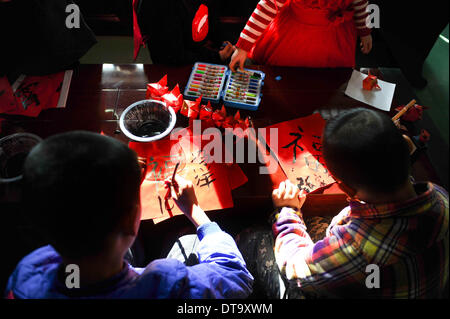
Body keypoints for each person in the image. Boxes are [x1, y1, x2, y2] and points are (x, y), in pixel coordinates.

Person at [4, 131, 253, 299]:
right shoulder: (165, 283)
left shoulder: (28, 272)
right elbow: (236, 278)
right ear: (128, 220)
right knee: (187, 240)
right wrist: (197, 214)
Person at [238, 108, 449, 298]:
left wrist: (288, 211)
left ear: (347, 189)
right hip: (408, 284)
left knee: (255, 238)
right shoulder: (440, 197)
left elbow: (294, 268)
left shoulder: (357, 248)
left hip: (361, 277)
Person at [230, 0, 373, 70]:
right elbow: (268, 6)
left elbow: (360, 4)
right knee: (285, 79)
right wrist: (243, 46)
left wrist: (364, 31)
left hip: (333, 41)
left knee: (328, 82)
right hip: (293, 38)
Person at [137, 0, 235, 65]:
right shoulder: (159, 5)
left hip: (199, 57)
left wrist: (223, 41)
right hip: (173, 71)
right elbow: (172, 57)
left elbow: (209, 18)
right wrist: (217, 57)